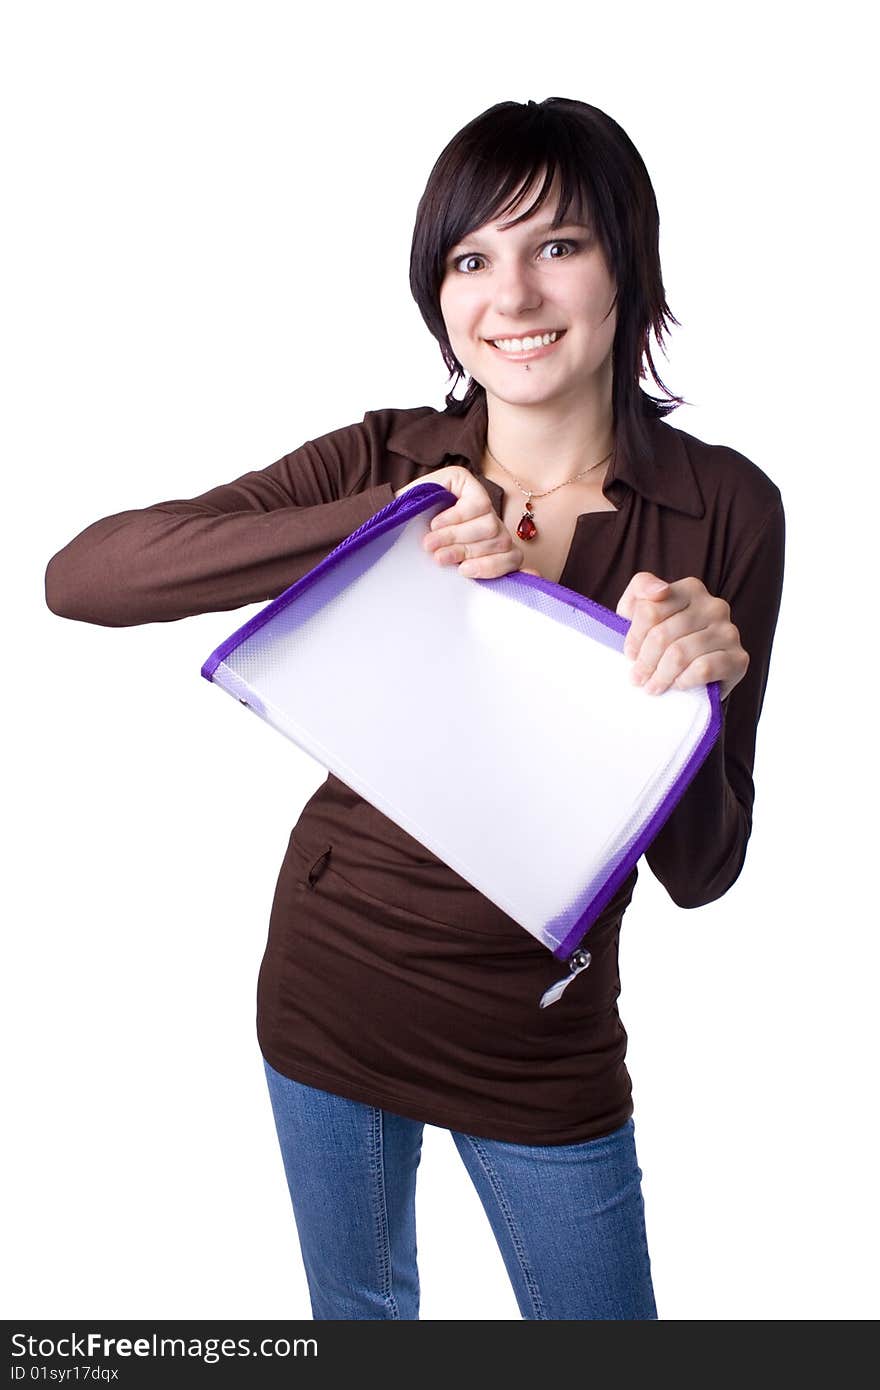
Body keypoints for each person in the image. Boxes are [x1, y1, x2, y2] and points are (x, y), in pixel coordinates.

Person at [44, 97, 785, 1320]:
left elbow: (707, 868)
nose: (512, 297)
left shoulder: (727, 511)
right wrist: (378, 525)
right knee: (364, 1323)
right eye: (470, 258)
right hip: (330, 984)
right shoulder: (385, 457)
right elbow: (85, 577)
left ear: (624, 267)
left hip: (539, 1039)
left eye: (557, 245)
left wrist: (696, 701)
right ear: (439, 294)